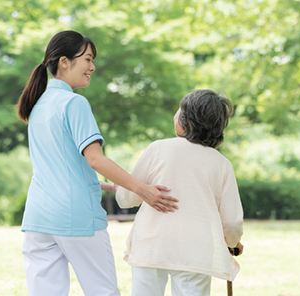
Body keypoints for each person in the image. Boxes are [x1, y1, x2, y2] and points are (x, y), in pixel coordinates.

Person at [17, 30, 179, 296]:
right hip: (76, 218)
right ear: (65, 62)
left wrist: (111, 187)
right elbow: (94, 159)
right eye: (88, 59)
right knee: (103, 291)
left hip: (38, 219)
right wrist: (143, 190)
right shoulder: (74, 103)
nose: (92, 67)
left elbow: (62, 167)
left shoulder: (37, 105)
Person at [116, 89, 244, 296]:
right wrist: (232, 243)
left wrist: (120, 190)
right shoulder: (221, 164)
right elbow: (231, 222)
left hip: (151, 246)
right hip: (195, 252)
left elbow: (125, 198)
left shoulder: (158, 149)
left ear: (185, 120)